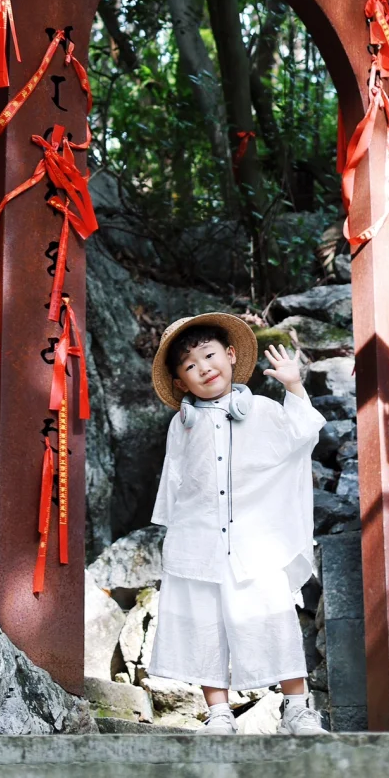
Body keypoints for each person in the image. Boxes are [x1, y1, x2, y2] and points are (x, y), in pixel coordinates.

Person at [147, 311, 327, 735]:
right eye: (190, 366)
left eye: (210, 355)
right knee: (205, 625)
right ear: (179, 382)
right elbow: (176, 482)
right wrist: (176, 534)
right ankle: (218, 713)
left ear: (229, 355)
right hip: (201, 541)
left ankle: (298, 708)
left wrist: (293, 385)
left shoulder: (262, 409)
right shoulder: (182, 425)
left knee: (274, 617)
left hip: (255, 540)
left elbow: (301, 435)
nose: (204, 368)